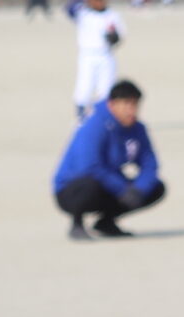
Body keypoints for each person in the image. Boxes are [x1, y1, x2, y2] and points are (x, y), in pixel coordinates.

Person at [52, 79, 164, 239]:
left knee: (155, 187)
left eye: (135, 105)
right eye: (126, 104)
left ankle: (106, 222)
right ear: (112, 104)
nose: (131, 110)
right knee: (89, 185)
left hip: (108, 183)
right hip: (71, 188)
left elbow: (150, 164)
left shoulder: (137, 129)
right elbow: (89, 166)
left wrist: (139, 189)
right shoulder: (94, 125)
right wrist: (122, 189)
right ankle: (77, 224)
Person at [66, 0, 124, 122]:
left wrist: (112, 37)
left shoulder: (112, 16)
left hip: (105, 56)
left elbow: (118, 38)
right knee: (84, 88)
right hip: (87, 56)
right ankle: (81, 118)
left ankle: (104, 119)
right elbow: (68, 8)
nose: (97, 1)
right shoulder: (83, 14)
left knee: (106, 90)